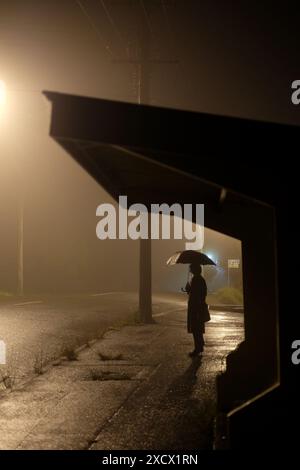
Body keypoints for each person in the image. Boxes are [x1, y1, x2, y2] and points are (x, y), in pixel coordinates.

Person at [185, 263, 210, 357]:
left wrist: (188, 289)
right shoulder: (200, 279)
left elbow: (194, 294)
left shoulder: (196, 279)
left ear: (194, 269)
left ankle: (197, 348)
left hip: (195, 308)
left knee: (195, 328)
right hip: (198, 306)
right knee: (198, 327)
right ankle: (200, 345)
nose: (190, 270)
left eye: (191, 268)